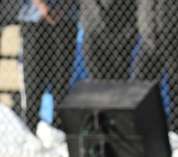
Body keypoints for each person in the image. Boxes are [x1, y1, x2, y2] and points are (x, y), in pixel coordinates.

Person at [17, 0, 79, 132]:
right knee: (33, 83)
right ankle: (31, 131)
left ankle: (60, 132)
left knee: (61, 82)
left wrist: (61, 10)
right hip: (33, 21)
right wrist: (42, 6)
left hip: (65, 22)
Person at [133, 0, 178, 136]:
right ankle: (146, 132)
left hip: (177, 40)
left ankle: (177, 135)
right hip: (148, 40)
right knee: (141, 88)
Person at [79, 0, 137, 80]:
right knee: (96, 81)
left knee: (119, 82)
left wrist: (131, 33)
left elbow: (136, 6)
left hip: (119, 36)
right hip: (93, 34)